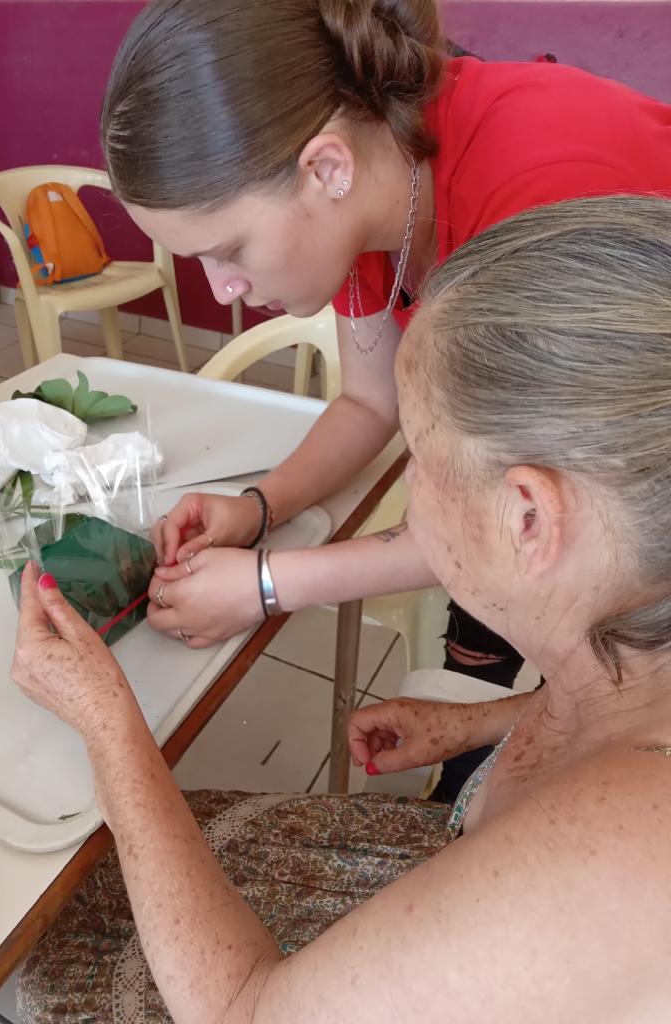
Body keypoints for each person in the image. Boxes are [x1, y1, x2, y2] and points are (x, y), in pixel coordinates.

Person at [13, 195, 671, 1022]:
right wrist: (480, 724)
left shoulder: (620, 860)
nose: (408, 486)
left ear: (529, 518)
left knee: (67, 947)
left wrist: (110, 727)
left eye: (419, 455)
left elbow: (245, 1012)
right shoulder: (633, 647)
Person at [99, 0, 671, 801]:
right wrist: (258, 508)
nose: (221, 289)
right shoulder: (375, 190)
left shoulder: (539, 201)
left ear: (325, 168)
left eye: (227, 251)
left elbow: (534, 523)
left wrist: (268, 584)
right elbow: (371, 405)